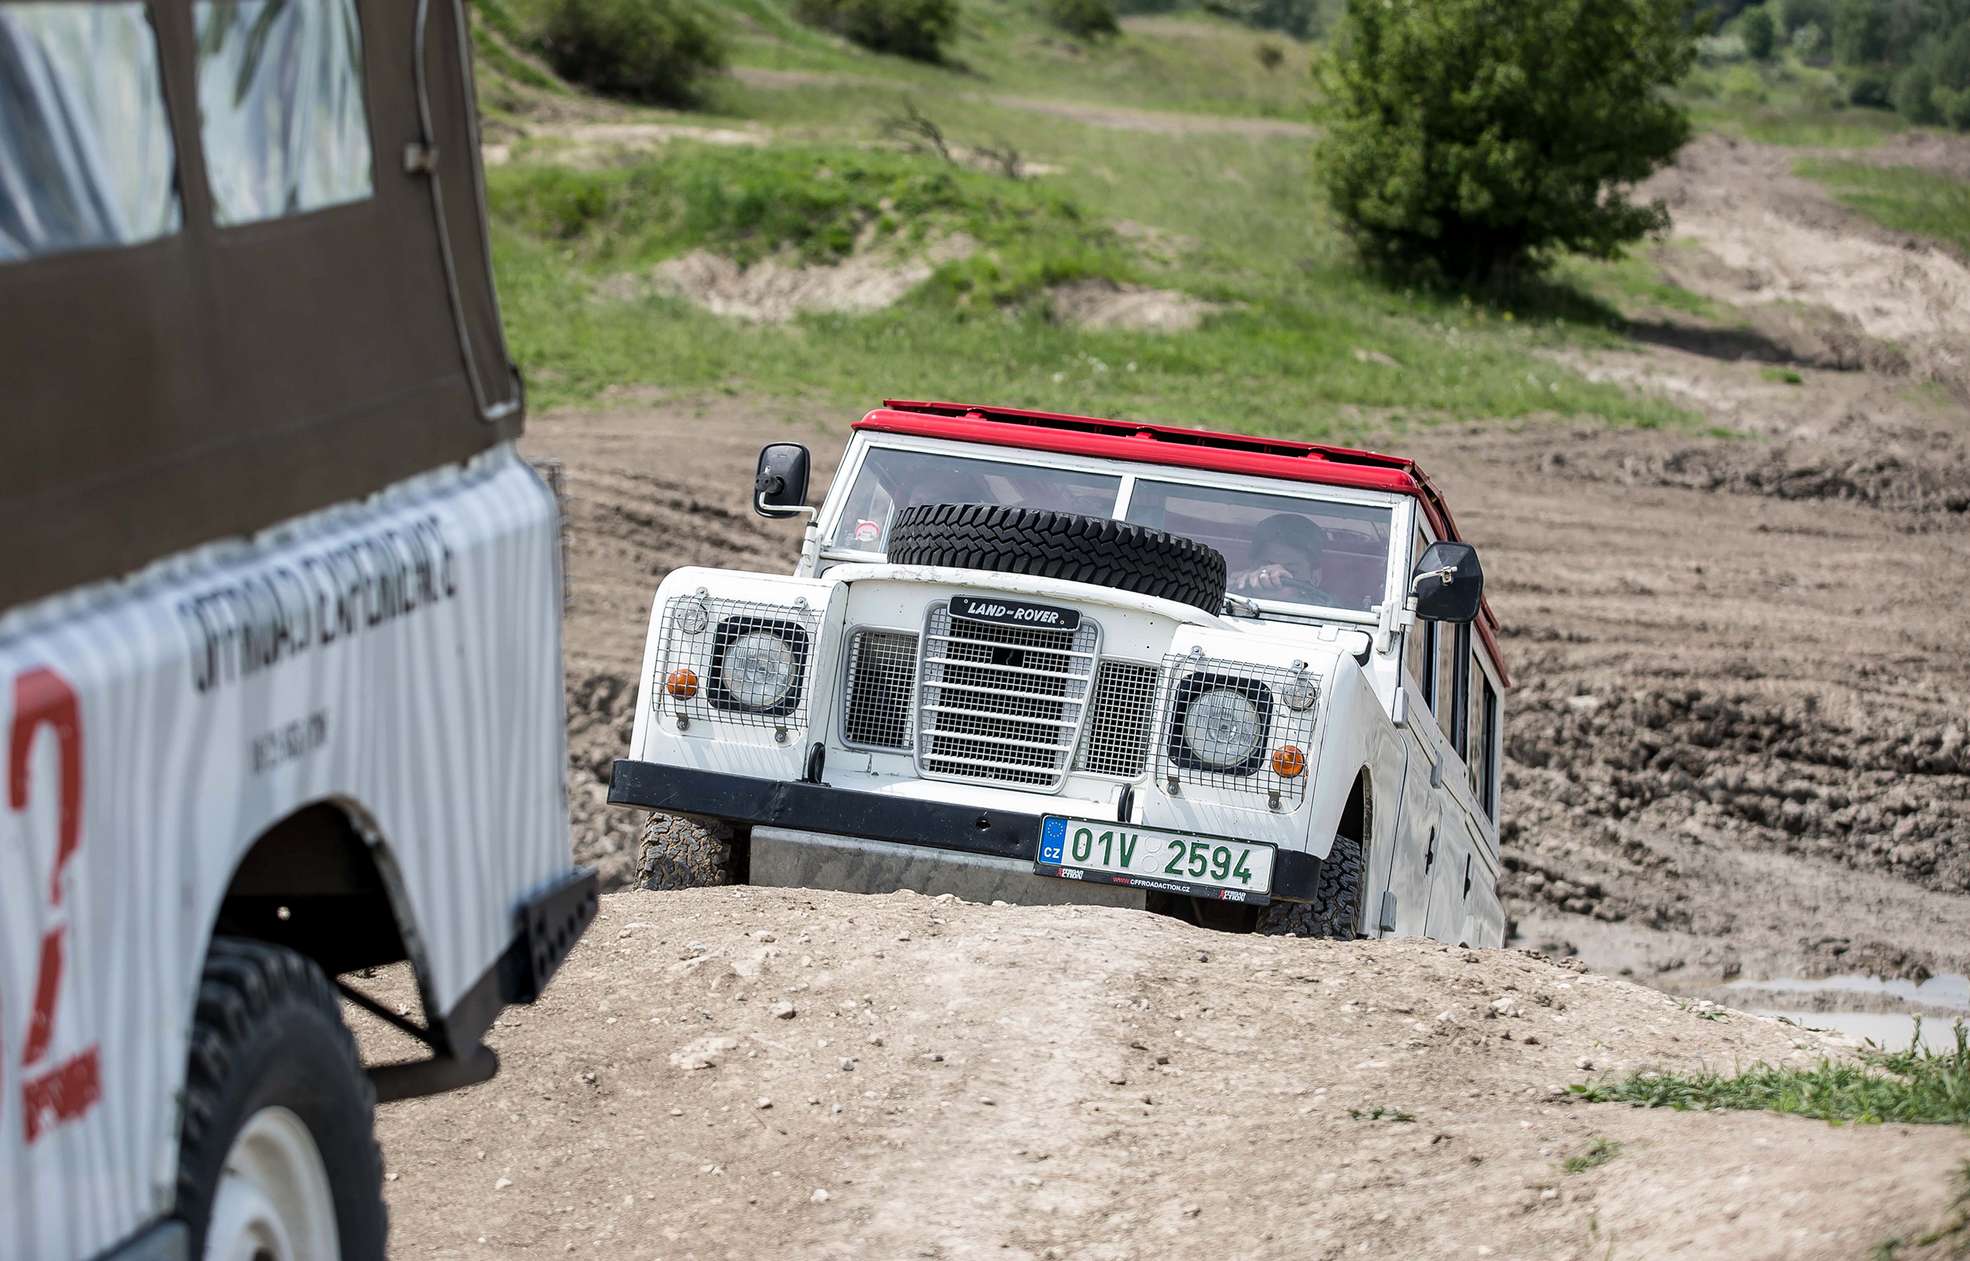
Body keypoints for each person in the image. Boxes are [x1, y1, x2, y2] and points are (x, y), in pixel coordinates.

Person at [1232, 513, 1334, 604]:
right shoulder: (1227, 598)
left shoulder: (1333, 613)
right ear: (1252, 566)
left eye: (1291, 571)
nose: (1276, 574)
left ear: (1315, 578)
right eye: (1266, 566)